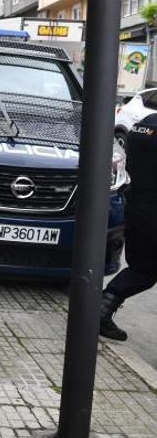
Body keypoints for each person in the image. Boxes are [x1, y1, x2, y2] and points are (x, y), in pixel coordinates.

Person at [100, 113, 157, 341]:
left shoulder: (142, 125)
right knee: (144, 271)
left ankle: (101, 309)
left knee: (142, 270)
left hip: (136, 208)